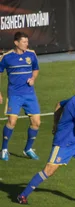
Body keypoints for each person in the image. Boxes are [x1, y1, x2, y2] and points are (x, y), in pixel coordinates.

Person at [16, 78, 75, 204]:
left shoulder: (74, 100)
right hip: (62, 144)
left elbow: (59, 104)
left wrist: (55, 123)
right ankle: (22, 195)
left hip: (74, 142)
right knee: (48, 171)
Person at [0, 31, 42, 161]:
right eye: (24, 42)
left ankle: (28, 149)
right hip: (14, 95)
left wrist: (33, 78)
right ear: (16, 43)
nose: (26, 44)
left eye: (27, 42)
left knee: (36, 122)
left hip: (30, 94)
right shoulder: (7, 57)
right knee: (12, 121)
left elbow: (36, 69)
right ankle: (4, 149)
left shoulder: (31, 54)